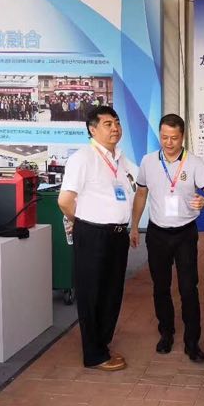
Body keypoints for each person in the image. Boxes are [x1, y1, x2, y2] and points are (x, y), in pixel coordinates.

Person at [130, 114, 204, 363]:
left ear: (183, 137)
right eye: (164, 137)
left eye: (174, 138)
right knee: (160, 287)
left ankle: (192, 342)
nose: (169, 143)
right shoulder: (148, 161)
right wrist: (134, 226)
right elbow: (141, 195)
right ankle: (166, 333)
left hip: (184, 234)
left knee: (188, 288)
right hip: (157, 233)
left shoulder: (194, 163)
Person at [58, 105, 138, 371]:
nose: (115, 128)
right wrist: (82, 223)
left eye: (117, 122)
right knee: (91, 293)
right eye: (108, 124)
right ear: (92, 129)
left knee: (112, 292)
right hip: (93, 234)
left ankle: (102, 344)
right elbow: (65, 201)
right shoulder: (83, 158)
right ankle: (93, 354)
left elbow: (139, 187)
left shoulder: (121, 160)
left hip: (117, 236)